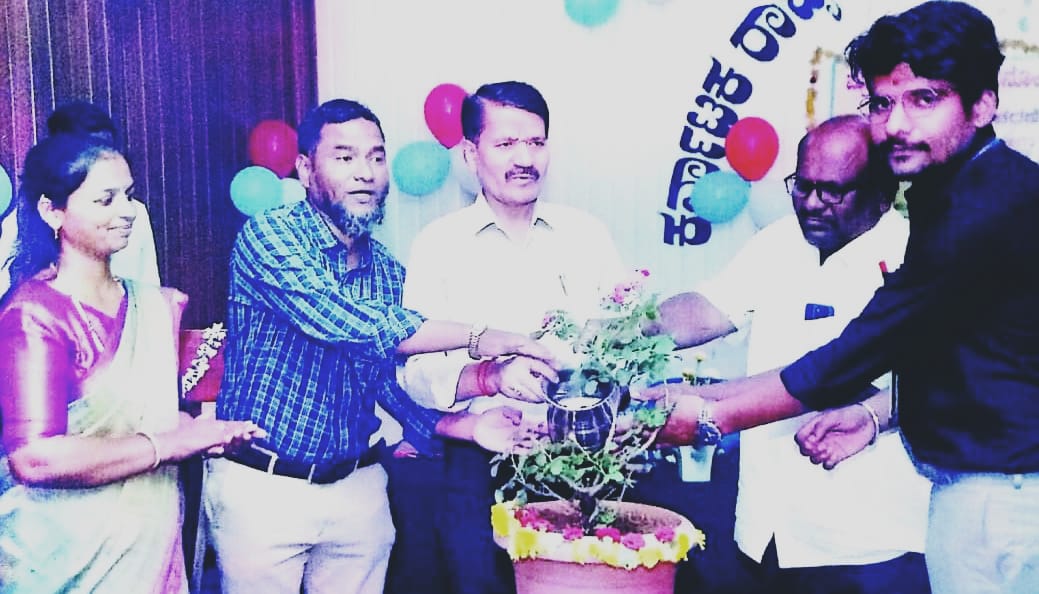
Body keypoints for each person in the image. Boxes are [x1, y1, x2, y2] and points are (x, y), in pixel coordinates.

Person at [642, 3, 1039, 593]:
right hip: (973, 491)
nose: (896, 124)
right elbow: (960, 361)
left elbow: (852, 357)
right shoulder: (958, 191)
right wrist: (874, 415)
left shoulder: (981, 208)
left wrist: (708, 416)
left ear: (983, 105)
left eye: (924, 99)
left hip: (997, 500)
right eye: (882, 103)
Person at [204, 97, 554, 594]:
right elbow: (346, 322)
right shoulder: (270, 235)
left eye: (376, 156)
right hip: (265, 486)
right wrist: (485, 337)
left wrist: (470, 423)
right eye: (344, 157)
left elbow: (387, 380)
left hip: (358, 489)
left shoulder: (387, 270)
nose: (365, 173)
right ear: (305, 169)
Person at [650, 115, 931, 593]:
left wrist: (708, 410)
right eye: (802, 186)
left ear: (883, 193)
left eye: (832, 191)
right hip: (767, 531)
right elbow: (706, 310)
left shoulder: (914, 259)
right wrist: (623, 329)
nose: (813, 203)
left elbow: (934, 381)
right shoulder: (779, 240)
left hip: (868, 545)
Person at [0, 134, 261, 593]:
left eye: (129, 195)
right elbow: (35, 459)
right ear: (52, 211)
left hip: (149, 551)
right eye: (106, 199)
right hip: (62, 563)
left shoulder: (153, 305)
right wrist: (168, 444)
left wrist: (202, 433)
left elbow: (143, 417)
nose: (127, 211)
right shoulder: (34, 314)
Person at [397, 80, 626, 594]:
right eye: (506, 144)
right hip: (480, 464)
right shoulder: (438, 244)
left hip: (584, 459)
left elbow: (620, 345)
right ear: (469, 153)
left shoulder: (586, 235)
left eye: (536, 143)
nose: (524, 159)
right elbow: (415, 373)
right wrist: (491, 377)